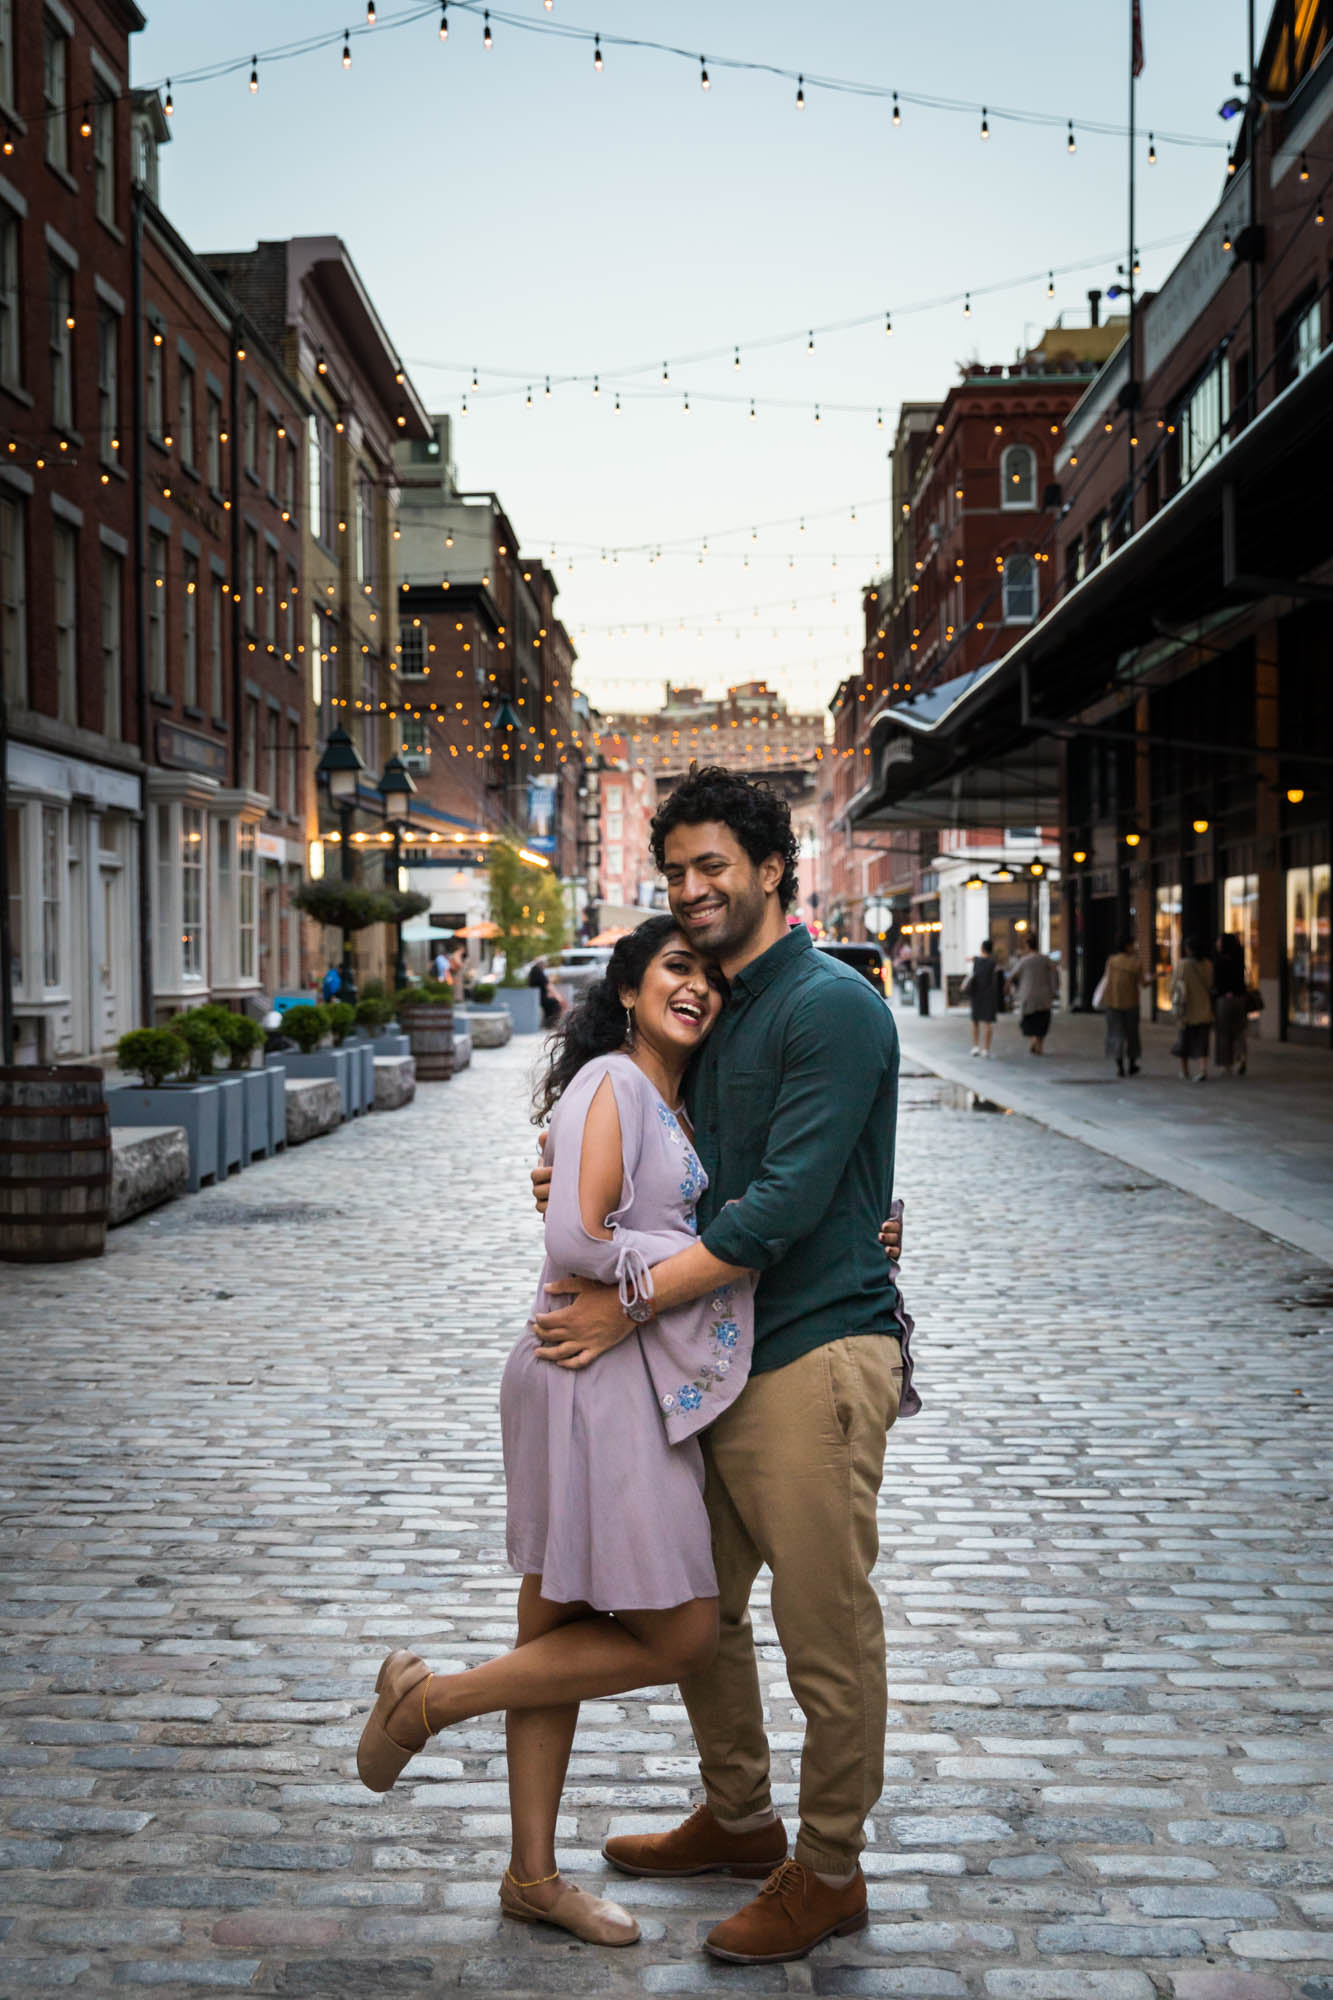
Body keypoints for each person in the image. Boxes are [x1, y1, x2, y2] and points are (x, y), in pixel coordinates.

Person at [529, 767, 918, 1966]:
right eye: (678, 871)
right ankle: (740, 1816)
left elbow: (784, 1205)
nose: (694, 891)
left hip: (810, 1348)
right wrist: (566, 1181)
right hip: (711, 1359)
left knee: (823, 1625)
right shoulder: (718, 1006)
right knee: (702, 1616)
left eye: (715, 868)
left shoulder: (830, 1004)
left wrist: (622, 1299)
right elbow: (654, 1160)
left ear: (770, 867)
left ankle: (830, 1866)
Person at [356, 918, 753, 1947]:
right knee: (682, 1631)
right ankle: (431, 1703)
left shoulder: (671, 1100)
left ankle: (530, 1873)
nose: (698, 987)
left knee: (558, 1630)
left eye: (710, 975)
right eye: (677, 967)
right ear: (627, 986)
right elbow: (576, 1235)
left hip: (605, 1372)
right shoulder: (612, 1083)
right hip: (588, 1375)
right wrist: (726, 1252)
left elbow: (608, 1225)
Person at [1098, 932, 1150, 1077]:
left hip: (1113, 1002)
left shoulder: (1111, 960)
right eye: (1133, 944)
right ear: (1127, 946)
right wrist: (1155, 977)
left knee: (1115, 1034)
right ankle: (1132, 1065)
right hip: (1131, 1004)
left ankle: (1119, 1066)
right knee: (1132, 1035)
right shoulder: (1136, 963)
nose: (1135, 947)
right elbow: (1144, 983)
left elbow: (1107, 978)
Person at [1172, 933, 1215, 1083]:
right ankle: (1203, 1069)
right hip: (1204, 1008)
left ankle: (1185, 1071)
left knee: (1185, 1040)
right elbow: (1211, 985)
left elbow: (1175, 985)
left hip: (1187, 1009)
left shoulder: (1183, 965)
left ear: (1188, 949)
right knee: (1203, 1041)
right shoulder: (1208, 964)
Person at [1008, 931, 1059, 1054]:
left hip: (1028, 996)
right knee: (1042, 1021)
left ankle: (1034, 1040)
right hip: (1044, 995)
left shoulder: (1024, 961)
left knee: (1030, 1022)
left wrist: (1013, 989)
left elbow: (1012, 976)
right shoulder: (1046, 959)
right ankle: (1039, 1045)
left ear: (1027, 945)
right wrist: (1054, 990)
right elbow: (1054, 975)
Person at [1212, 931, 1248, 1077]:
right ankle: (1242, 1057)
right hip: (1240, 1000)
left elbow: (1216, 983)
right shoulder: (1239, 958)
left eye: (1219, 941)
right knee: (1239, 1032)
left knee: (1224, 1034)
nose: (1217, 943)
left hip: (1224, 1002)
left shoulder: (1220, 961)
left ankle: (1227, 1065)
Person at [964, 938, 1004, 1057]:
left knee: (975, 1021)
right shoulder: (993, 962)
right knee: (988, 1023)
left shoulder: (977, 960)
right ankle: (986, 1049)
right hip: (988, 994)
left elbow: (967, 959)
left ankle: (975, 1046)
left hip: (976, 994)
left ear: (982, 948)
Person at [528, 954, 562, 1028]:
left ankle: (548, 1023)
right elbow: (547, 985)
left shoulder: (533, 971)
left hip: (536, 997)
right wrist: (557, 996)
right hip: (539, 998)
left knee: (549, 1004)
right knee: (556, 1003)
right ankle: (551, 1024)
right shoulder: (538, 972)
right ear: (542, 964)